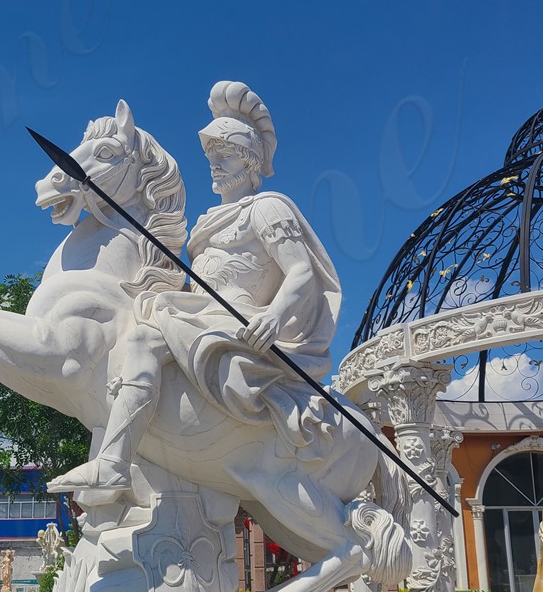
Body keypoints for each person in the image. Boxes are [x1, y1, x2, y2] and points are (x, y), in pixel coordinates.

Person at [48, 81, 341, 495]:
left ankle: (113, 463)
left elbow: (301, 272)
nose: (213, 165)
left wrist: (273, 317)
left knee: (146, 339)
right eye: (210, 156)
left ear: (249, 159)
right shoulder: (205, 224)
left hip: (237, 320)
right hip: (202, 312)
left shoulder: (266, 207)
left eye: (223, 155)